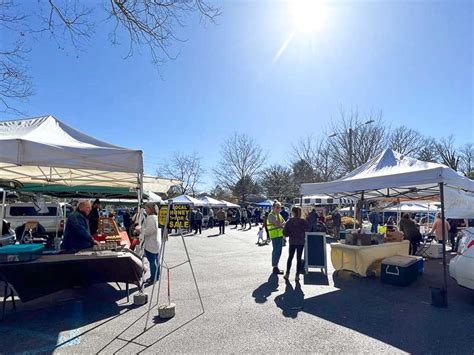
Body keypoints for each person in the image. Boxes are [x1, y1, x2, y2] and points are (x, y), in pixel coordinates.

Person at [283, 206, 309, 281]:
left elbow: (285, 233)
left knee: (290, 258)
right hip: (300, 242)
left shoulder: (289, 221)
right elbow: (308, 228)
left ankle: (287, 274)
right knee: (299, 259)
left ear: (293, 212)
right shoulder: (303, 221)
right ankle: (297, 275)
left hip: (292, 241)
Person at [139, 202, 161, 285]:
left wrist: (141, 230)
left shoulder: (151, 217)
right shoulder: (154, 217)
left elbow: (151, 230)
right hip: (155, 242)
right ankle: (157, 275)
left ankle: (153, 278)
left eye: (146, 208)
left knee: (152, 261)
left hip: (151, 242)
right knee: (155, 260)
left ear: (150, 209)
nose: (145, 210)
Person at [267, 201, 286, 275]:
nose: (279, 209)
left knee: (278, 252)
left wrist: (280, 224)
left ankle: (276, 266)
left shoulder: (279, 215)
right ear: (273, 208)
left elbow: (284, 223)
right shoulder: (271, 215)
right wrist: (280, 224)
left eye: (280, 207)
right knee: (276, 252)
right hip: (275, 236)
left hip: (279, 235)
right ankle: (275, 267)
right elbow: (278, 223)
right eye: (277, 207)